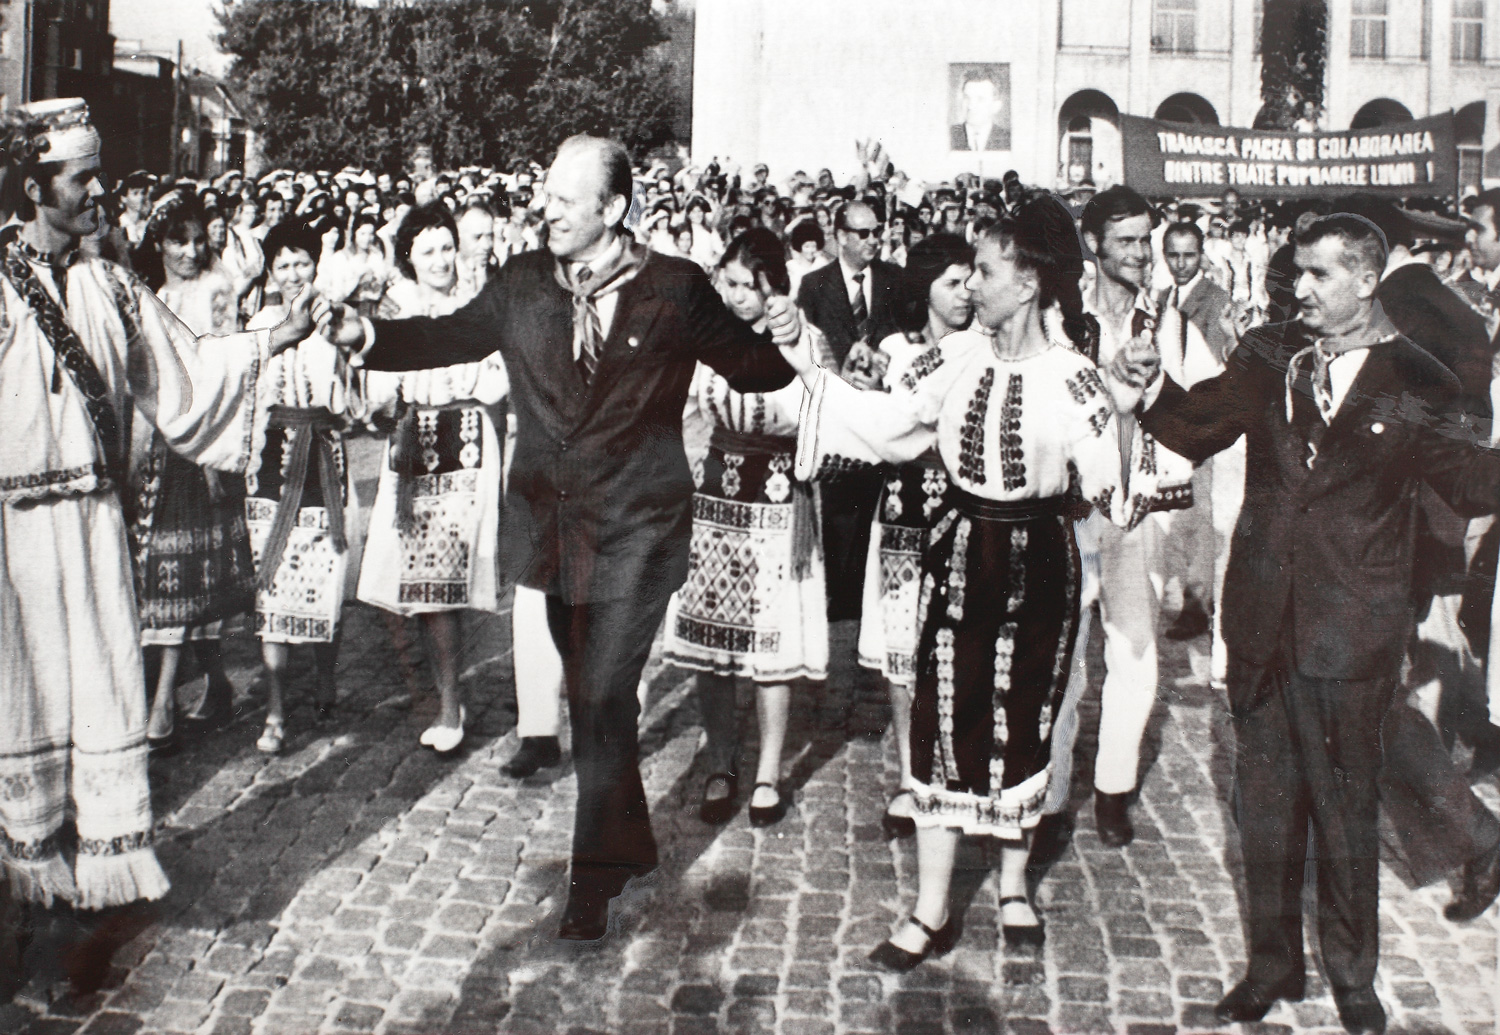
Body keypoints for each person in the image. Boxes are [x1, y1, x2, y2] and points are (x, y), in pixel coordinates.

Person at [323, 134, 804, 942]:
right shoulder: (521, 282)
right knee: (590, 691)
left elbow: (755, 368)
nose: (544, 208)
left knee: (603, 692)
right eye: (544, 194)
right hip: (553, 530)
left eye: (563, 199)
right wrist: (365, 335)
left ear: (612, 209)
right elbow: (448, 336)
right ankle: (632, 834)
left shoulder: (674, 287)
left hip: (641, 528)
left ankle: (592, 881)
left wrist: (785, 332)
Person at [1106, 213, 1500, 1035]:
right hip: (1262, 619)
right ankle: (1272, 964)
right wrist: (1148, 388)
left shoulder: (1417, 377)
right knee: (1264, 808)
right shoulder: (1270, 352)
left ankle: (1353, 977)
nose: (1301, 289)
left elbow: (1465, 480)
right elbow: (1200, 424)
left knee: (1347, 812)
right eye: (1298, 272)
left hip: (1353, 630)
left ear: (1367, 279)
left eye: (1320, 274)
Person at [784, 191, 1150, 970]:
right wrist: (805, 365)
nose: (971, 284)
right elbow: (886, 423)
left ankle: (1014, 886)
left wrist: (1124, 406)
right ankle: (930, 907)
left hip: (1042, 559)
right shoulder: (953, 359)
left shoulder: (1073, 377)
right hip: (959, 550)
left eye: (984, 270)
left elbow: (1113, 490)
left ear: (1027, 283)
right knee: (943, 717)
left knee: (1027, 717)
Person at [0, 98, 320, 910]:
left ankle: (95, 869)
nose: (100, 191)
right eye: (81, 178)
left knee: (102, 684)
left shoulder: (112, 284)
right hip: (13, 537)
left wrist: (269, 341)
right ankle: (23, 870)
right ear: (34, 186)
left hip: (96, 525)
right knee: (21, 693)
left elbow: (184, 372)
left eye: (99, 175)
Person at [665, 228, 833, 825]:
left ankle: (767, 771)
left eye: (745, 285)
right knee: (712, 637)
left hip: (780, 498)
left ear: (773, 286)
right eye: (727, 283)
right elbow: (682, 407)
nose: (734, 296)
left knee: (772, 637)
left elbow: (825, 411)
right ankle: (721, 760)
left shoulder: (804, 340)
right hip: (716, 495)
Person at [1080, 186, 1219, 848]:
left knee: (1136, 650)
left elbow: (1206, 411)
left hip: (1139, 511)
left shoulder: (1169, 320)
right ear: (1094, 244)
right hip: (1073, 507)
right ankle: (1048, 792)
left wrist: (1158, 386)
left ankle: (1112, 788)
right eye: (1127, 240)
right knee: (1061, 656)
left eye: (1146, 240)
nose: (1141, 253)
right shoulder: (1062, 317)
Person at [357, 203, 508, 754]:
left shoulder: (477, 304)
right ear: (409, 258)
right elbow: (377, 395)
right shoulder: (399, 310)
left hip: (468, 443)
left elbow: (498, 383)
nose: (441, 259)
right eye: (428, 251)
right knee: (428, 586)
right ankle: (449, 699)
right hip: (416, 449)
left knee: (454, 580)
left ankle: (452, 700)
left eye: (447, 247)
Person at [860, 232, 975, 839]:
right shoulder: (894, 351)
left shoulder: (984, 348)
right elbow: (872, 422)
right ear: (924, 288)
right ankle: (912, 775)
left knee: (961, 644)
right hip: (905, 512)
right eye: (951, 283)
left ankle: (958, 773)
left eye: (970, 281)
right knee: (903, 649)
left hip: (965, 513)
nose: (965, 294)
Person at [134, 196, 256, 750]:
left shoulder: (217, 290)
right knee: (185, 574)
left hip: (206, 447)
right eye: (177, 240)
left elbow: (224, 375)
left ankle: (162, 702)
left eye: (197, 239)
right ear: (158, 243)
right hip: (167, 451)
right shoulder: (156, 297)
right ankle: (217, 682)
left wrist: (212, 455)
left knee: (188, 574)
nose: (190, 250)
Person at [244, 221, 367, 756]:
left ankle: (325, 676)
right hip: (271, 463)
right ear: (271, 270)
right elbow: (248, 397)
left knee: (325, 575)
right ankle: (275, 709)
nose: (294, 273)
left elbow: (356, 395)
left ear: (316, 266)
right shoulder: (260, 324)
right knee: (270, 582)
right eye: (284, 264)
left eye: (302, 263)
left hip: (323, 460)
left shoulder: (335, 320)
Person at [796, 201, 901, 640]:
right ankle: (841, 612)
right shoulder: (814, 285)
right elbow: (805, 350)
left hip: (882, 414)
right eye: (863, 233)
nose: (874, 239)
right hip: (838, 419)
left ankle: (868, 606)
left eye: (877, 231)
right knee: (840, 512)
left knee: (877, 508)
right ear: (840, 236)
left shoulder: (895, 278)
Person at [949, 73, 1008, 152]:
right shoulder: (946, 136)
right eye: (967, 98)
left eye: (980, 99)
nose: (971, 106)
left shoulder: (1009, 140)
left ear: (996, 106)